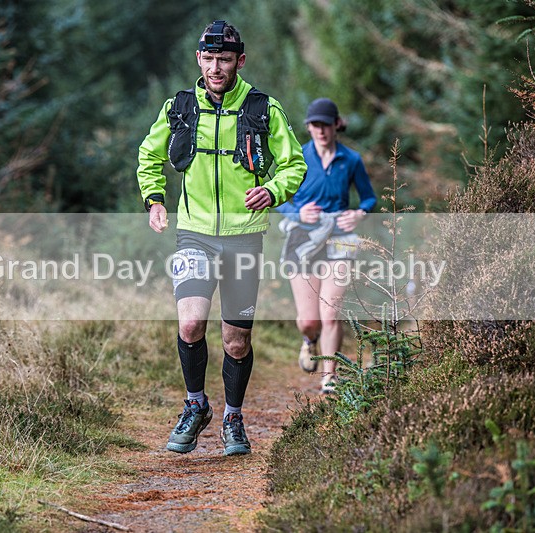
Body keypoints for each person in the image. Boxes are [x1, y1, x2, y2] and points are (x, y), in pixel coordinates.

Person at [136, 20, 306, 455]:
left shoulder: (263, 108)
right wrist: (155, 200)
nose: (215, 68)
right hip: (194, 234)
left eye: (225, 60)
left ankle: (233, 416)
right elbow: (149, 155)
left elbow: (294, 165)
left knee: (236, 340)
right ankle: (196, 405)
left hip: (244, 238)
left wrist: (273, 190)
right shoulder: (179, 107)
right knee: (191, 324)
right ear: (198, 59)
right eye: (209, 59)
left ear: (239, 61)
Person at [276, 97, 376, 394]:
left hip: (340, 237)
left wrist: (359, 213)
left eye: (326, 124)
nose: (321, 130)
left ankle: (329, 376)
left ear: (336, 125)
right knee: (310, 320)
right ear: (308, 127)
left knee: (330, 312)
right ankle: (309, 340)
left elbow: (369, 198)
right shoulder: (297, 156)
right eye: (315, 125)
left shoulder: (351, 159)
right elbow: (276, 196)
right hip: (303, 237)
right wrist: (298, 213)